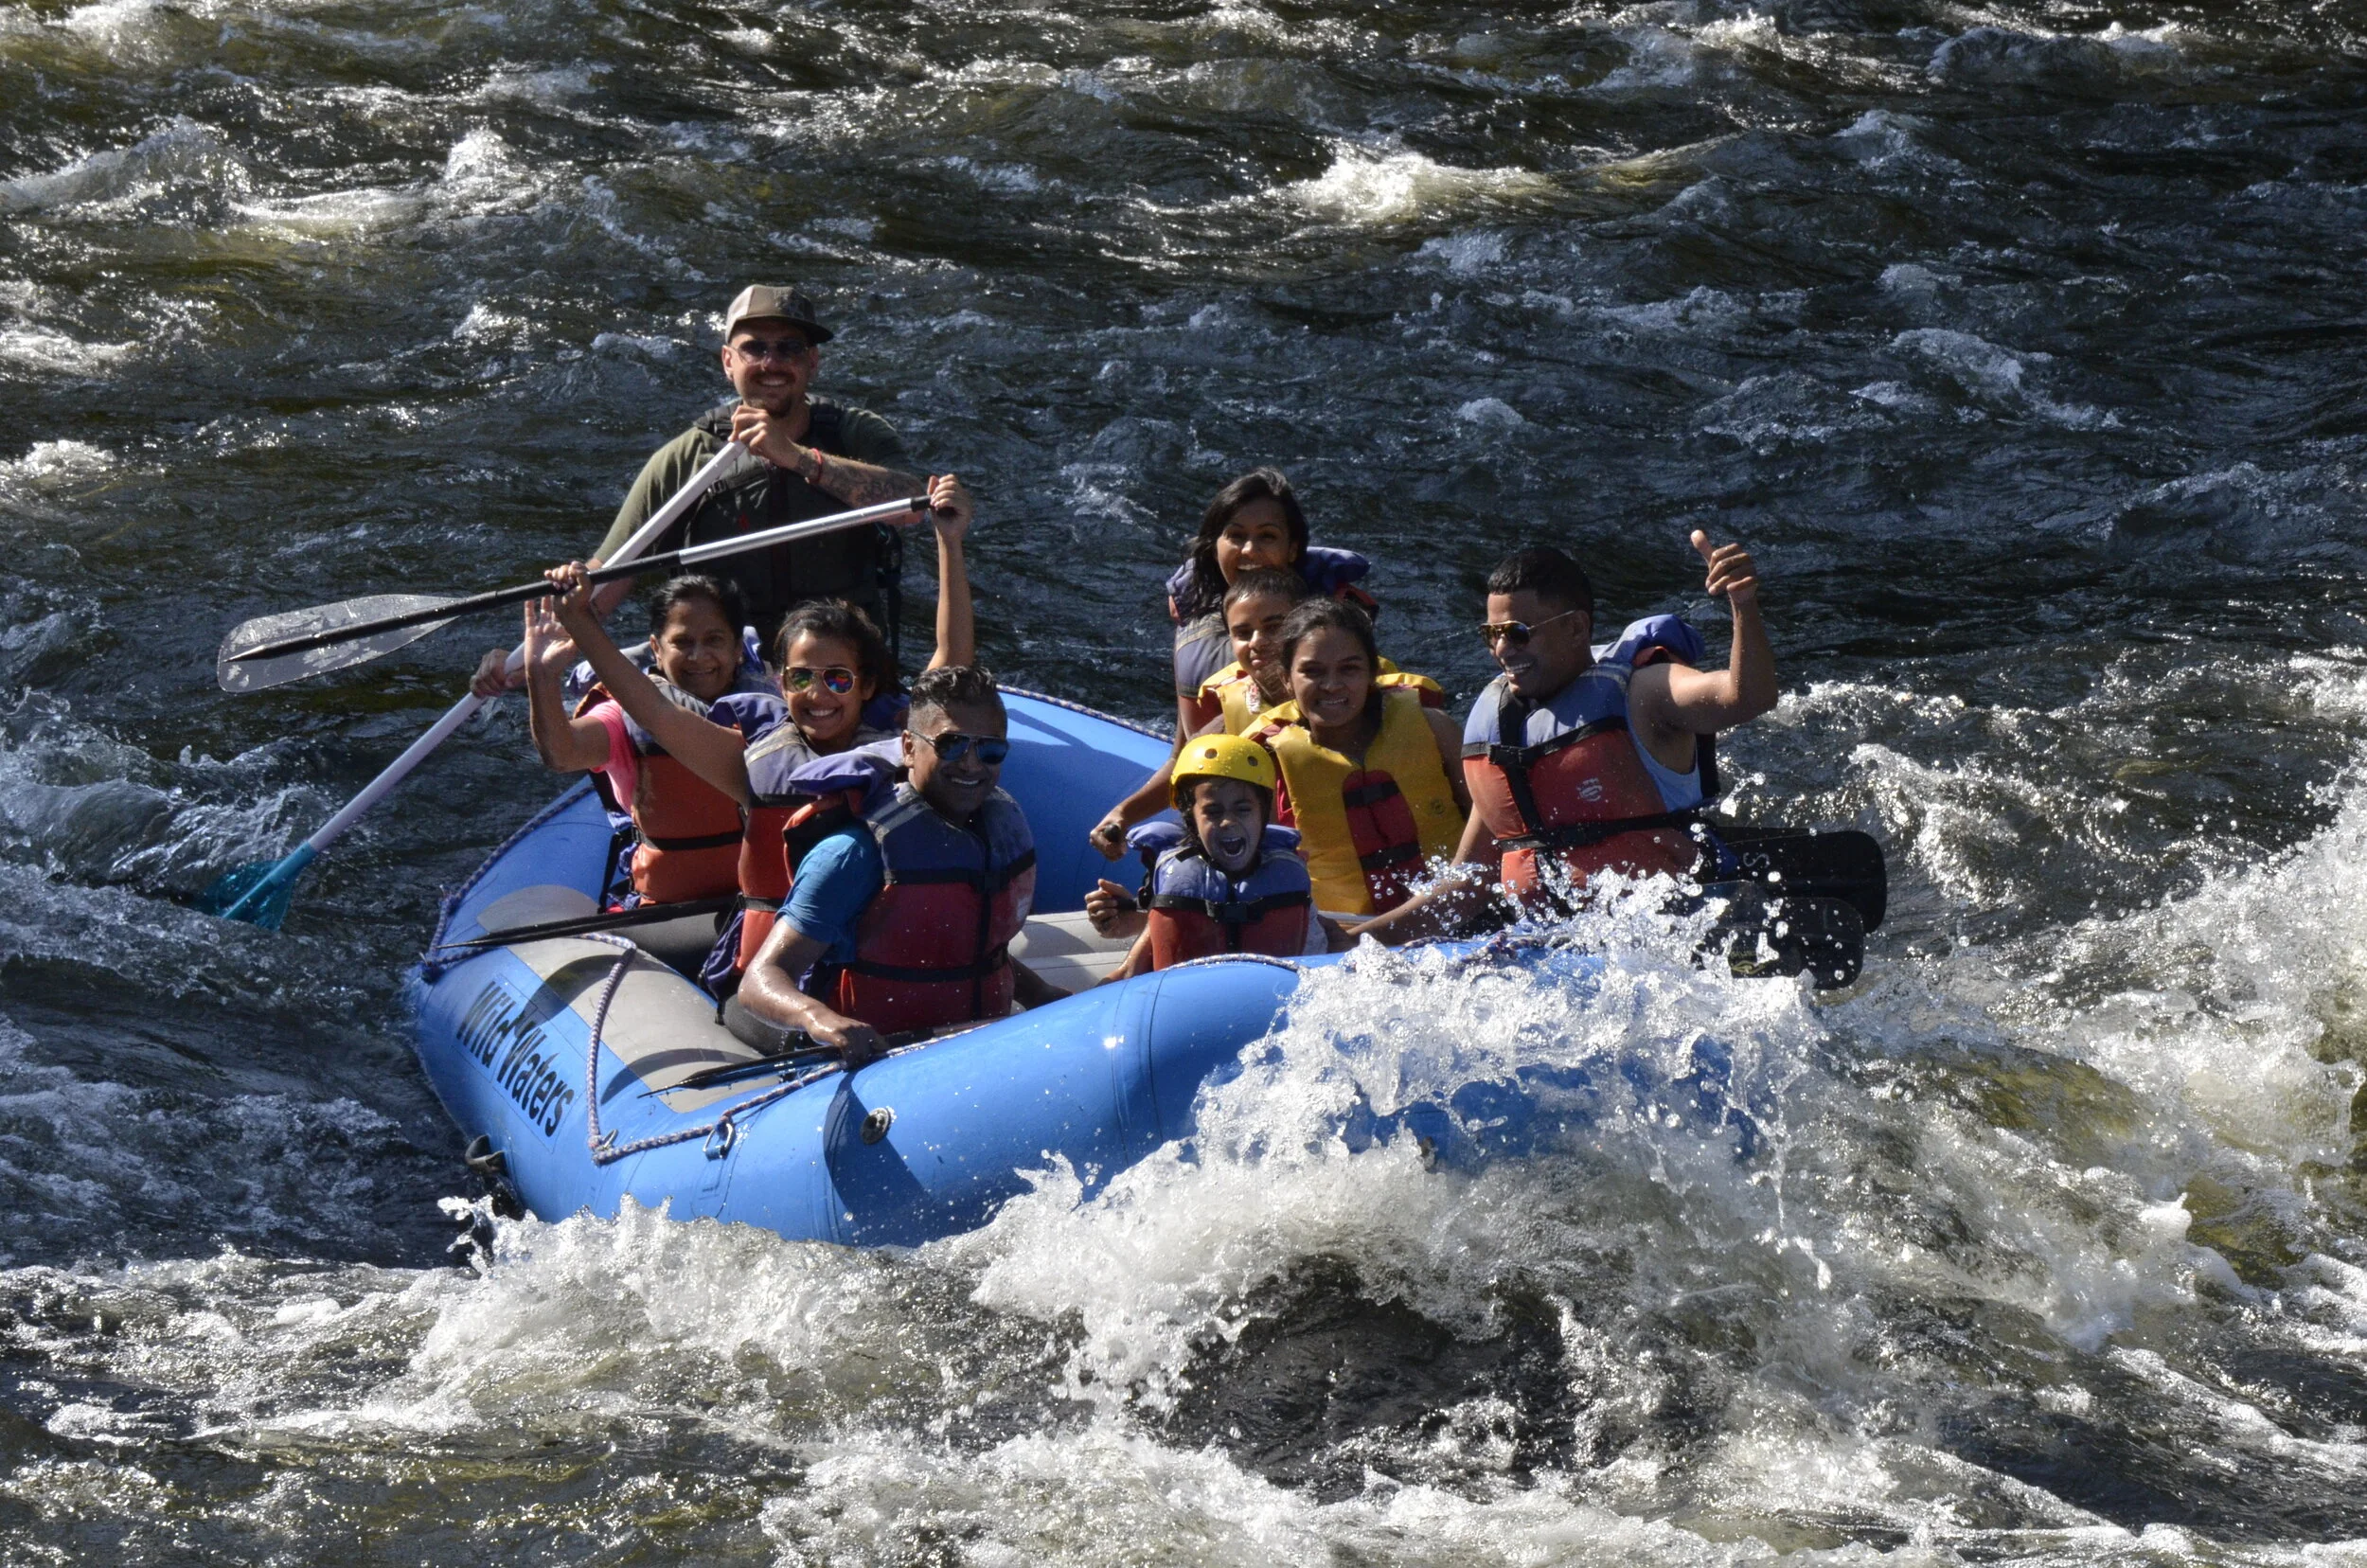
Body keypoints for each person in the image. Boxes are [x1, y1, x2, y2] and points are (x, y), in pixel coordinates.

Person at [538, 475, 977, 986]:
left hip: (879, 951)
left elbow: (954, 663)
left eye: (837, 678)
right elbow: (657, 713)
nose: (817, 696)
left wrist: (949, 542)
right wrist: (581, 624)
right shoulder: (753, 764)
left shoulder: (898, 739)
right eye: (800, 678)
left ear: (866, 685)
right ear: (780, 682)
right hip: (782, 967)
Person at [471, 284, 928, 696]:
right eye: (754, 349)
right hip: (722, 674)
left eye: (789, 348)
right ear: (729, 362)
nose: (771, 363)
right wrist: (526, 659)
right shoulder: (683, 460)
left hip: (836, 675)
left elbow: (912, 506)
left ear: (812, 362)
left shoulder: (858, 435)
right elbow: (609, 576)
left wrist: (795, 456)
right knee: (601, 690)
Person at [1356, 534, 1774, 945]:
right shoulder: (1507, 736)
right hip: (1550, 949)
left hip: (1675, 940)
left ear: (1576, 627)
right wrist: (1356, 940)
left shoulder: (1644, 692)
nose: (1502, 649)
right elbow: (1468, 887)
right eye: (1491, 634)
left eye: (1518, 632)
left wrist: (1743, 604)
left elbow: (1747, 697)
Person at [733, 666, 1068, 1061]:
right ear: (909, 747)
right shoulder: (853, 854)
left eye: (990, 749)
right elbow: (759, 980)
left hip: (977, 1047)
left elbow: (962, 954)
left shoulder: (998, 829)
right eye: (953, 745)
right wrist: (817, 1018)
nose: (972, 764)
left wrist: (1039, 993)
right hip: (875, 1062)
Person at [521, 573, 783, 907]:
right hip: (666, 913)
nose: (699, 656)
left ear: (737, 650)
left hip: (763, 904)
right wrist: (541, 676)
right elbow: (562, 754)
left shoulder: (774, 708)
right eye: (683, 642)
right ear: (656, 649)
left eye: (714, 640)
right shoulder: (623, 715)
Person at [1249, 599, 1468, 918]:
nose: (1332, 685)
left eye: (1349, 668)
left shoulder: (1434, 727)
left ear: (1373, 673)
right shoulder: (1267, 762)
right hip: (1338, 934)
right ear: (1285, 678)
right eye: (1312, 671)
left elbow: (1492, 834)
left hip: (1456, 915)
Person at [1099, 735, 1340, 979]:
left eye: (1243, 810)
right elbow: (1131, 971)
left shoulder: (1287, 881)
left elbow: (1318, 964)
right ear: (1190, 818)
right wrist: (1123, 919)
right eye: (1213, 811)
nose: (1228, 821)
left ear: (1263, 813)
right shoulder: (1177, 882)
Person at [1166, 469, 1377, 736]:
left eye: (1267, 536)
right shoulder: (1194, 612)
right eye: (1236, 536)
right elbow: (1183, 749)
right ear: (1215, 546)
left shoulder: (1335, 624)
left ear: (1292, 549)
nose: (1249, 550)